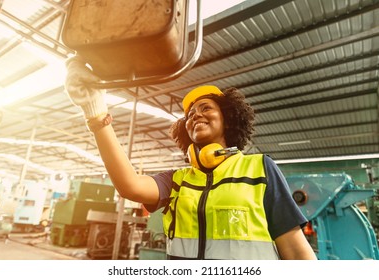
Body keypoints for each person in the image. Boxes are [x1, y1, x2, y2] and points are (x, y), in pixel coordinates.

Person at [64, 55, 317, 260]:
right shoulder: (178, 180)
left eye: (206, 108)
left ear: (228, 118)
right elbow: (129, 186)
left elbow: (296, 252)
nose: (195, 115)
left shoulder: (259, 168)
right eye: (190, 114)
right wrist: (95, 112)